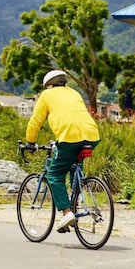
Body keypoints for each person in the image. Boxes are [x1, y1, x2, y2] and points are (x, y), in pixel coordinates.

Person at [25, 70, 100, 232]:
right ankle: (78, 197)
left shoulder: (46, 95)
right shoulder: (74, 93)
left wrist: (30, 142)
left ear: (48, 85)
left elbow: (36, 121)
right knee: (75, 164)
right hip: (92, 136)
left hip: (69, 138)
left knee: (54, 175)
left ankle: (67, 213)